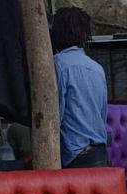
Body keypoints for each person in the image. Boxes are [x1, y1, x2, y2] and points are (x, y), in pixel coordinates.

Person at [50, 6, 108, 169]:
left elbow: (55, 116)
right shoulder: (97, 68)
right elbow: (102, 113)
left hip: (74, 155)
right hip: (100, 152)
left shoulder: (58, 65)